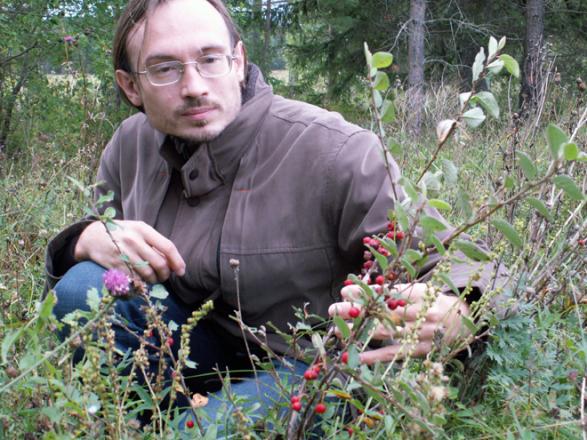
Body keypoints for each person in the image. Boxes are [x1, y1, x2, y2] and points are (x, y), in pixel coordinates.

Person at [45, 0, 507, 430]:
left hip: (310, 366)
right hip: (194, 346)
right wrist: (86, 239)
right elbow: (95, 268)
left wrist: (458, 309)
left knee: (201, 435)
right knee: (80, 290)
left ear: (239, 61)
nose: (195, 87)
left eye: (210, 59)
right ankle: (147, 423)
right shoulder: (131, 147)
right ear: (131, 86)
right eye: (165, 69)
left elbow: (476, 268)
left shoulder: (334, 151)